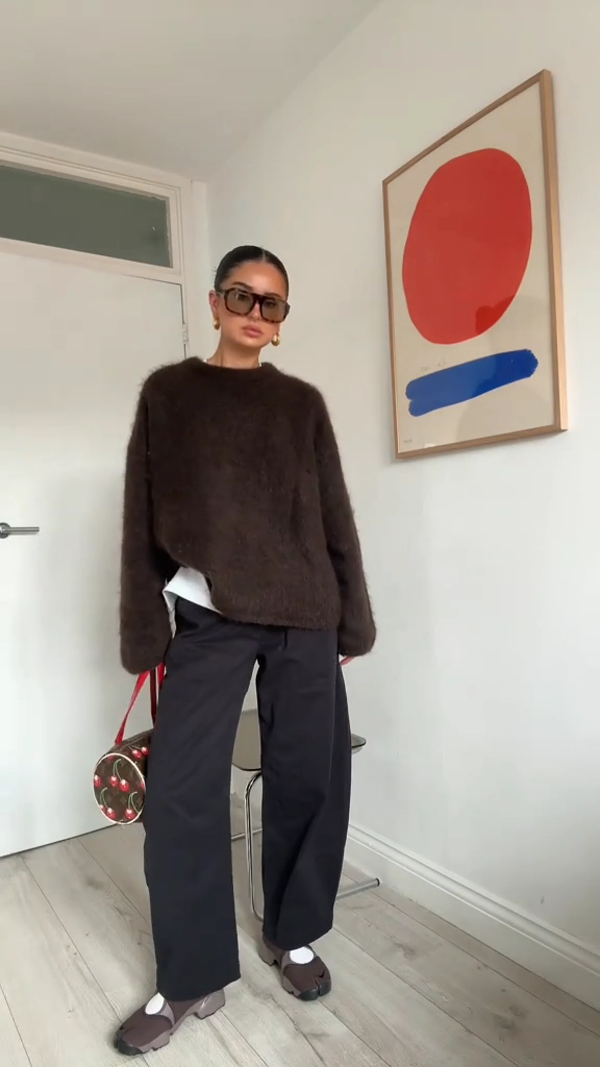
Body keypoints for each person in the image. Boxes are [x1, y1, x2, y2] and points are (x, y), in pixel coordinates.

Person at [115, 245, 376, 1055]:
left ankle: (291, 933)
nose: (256, 313)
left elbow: (334, 512)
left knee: (309, 777)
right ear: (214, 301)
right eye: (242, 295)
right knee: (179, 792)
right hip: (212, 615)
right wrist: (144, 622)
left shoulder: (301, 404)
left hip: (305, 614)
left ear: (282, 319)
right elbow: (140, 513)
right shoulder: (169, 393)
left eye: (272, 303)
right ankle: (190, 973)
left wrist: (352, 618)